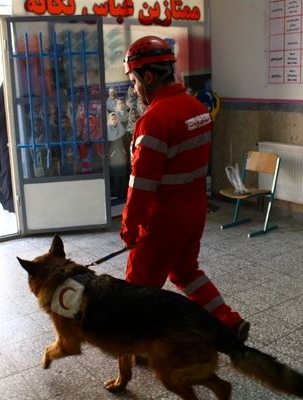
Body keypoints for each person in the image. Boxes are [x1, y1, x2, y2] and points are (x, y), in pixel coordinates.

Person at [119, 36, 250, 342]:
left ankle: (140, 347)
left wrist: (129, 228)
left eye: (135, 81)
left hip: (162, 221)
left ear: (148, 77)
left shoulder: (153, 121)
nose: (135, 88)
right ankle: (229, 321)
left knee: (138, 288)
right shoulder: (196, 109)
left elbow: (141, 186)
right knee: (186, 273)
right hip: (193, 214)